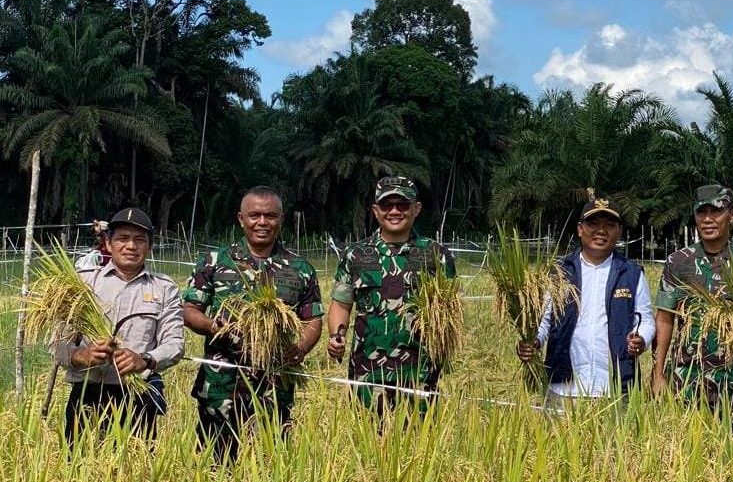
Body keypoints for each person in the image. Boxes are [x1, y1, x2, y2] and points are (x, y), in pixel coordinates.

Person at [182, 186, 324, 463]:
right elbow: (190, 311)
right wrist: (214, 327)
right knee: (215, 465)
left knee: (270, 465)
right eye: (254, 215)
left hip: (274, 386)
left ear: (281, 219)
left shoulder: (300, 269)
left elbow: (312, 320)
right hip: (221, 386)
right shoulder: (214, 262)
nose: (262, 222)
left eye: (270, 216)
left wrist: (300, 348)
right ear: (241, 219)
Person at [326, 176, 455, 416]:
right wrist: (337, 336)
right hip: (367, 373)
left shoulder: (435, 255)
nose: (394, 211)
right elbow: (341, 303)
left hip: (419, 374)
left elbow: (449, 312)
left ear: (416, 209)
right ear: (376, 211)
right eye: (386, 205)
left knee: (420, 438)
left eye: (402, 205)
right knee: (366, 437)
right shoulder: (356, 255)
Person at [54, 207, 183, 446]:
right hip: (87, 396)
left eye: (139, 240)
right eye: (123, 238)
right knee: (80, 466)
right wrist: (83, 356)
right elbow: (57, 345)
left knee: (136, 467)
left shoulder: (164, 288)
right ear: (108, 243)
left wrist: (145, 360)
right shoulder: (83, 283)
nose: (131, 246)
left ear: (150, 246)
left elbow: (174, 344)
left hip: (138, 397)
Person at [651, 184, 733, 421]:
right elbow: (664, 318)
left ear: (732, 215)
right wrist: (658, 372)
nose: (708, 219)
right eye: (701, 212)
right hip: (686, 377)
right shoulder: (678, 262)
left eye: (716, 211)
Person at [516, 195, 655, 406]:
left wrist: (641, 338)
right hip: (563, 387)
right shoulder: (559, 272)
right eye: (593, 224)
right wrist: (533, 342)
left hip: (615, 389)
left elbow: (646, 319)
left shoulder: (632, 274)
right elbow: (544, 320)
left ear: (619, 232)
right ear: (580, 229)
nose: (601, 230)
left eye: (609, 225)